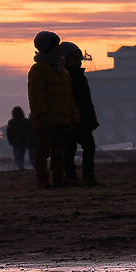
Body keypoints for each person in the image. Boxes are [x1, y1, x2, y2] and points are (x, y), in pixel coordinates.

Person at [27, 32, 75, 188]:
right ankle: (42, 178)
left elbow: (68, 95)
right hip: (46, 118)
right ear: (48, 47)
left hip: (62, 118)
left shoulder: (61, 69)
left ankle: (58, 178)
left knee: (58, 151)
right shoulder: (39, 69)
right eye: (56, 45)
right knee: (44, 150)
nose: (59, 48)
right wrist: (41, 112)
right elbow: (36, 94)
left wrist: (73, 114)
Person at [61, 43, 100, 185]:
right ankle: (72, 177)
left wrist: (91, 119)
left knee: (88, 147)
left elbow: (87, 102)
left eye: (79, 58)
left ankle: (87, 177)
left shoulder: (80, 78)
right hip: (71, 120)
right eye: (75, 58)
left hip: (83, 120)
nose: (79, 61)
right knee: (70, 150)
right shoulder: (64, 79)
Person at [3, 105, 33, 172]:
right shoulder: (26, 121)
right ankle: (21, 168)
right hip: (24, 141)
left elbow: (9, 133)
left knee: (17, 158)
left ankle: (21, 168)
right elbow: (30, 131)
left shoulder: (11, 122)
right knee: (21, 157)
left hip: (16, 143)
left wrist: (11, 142)